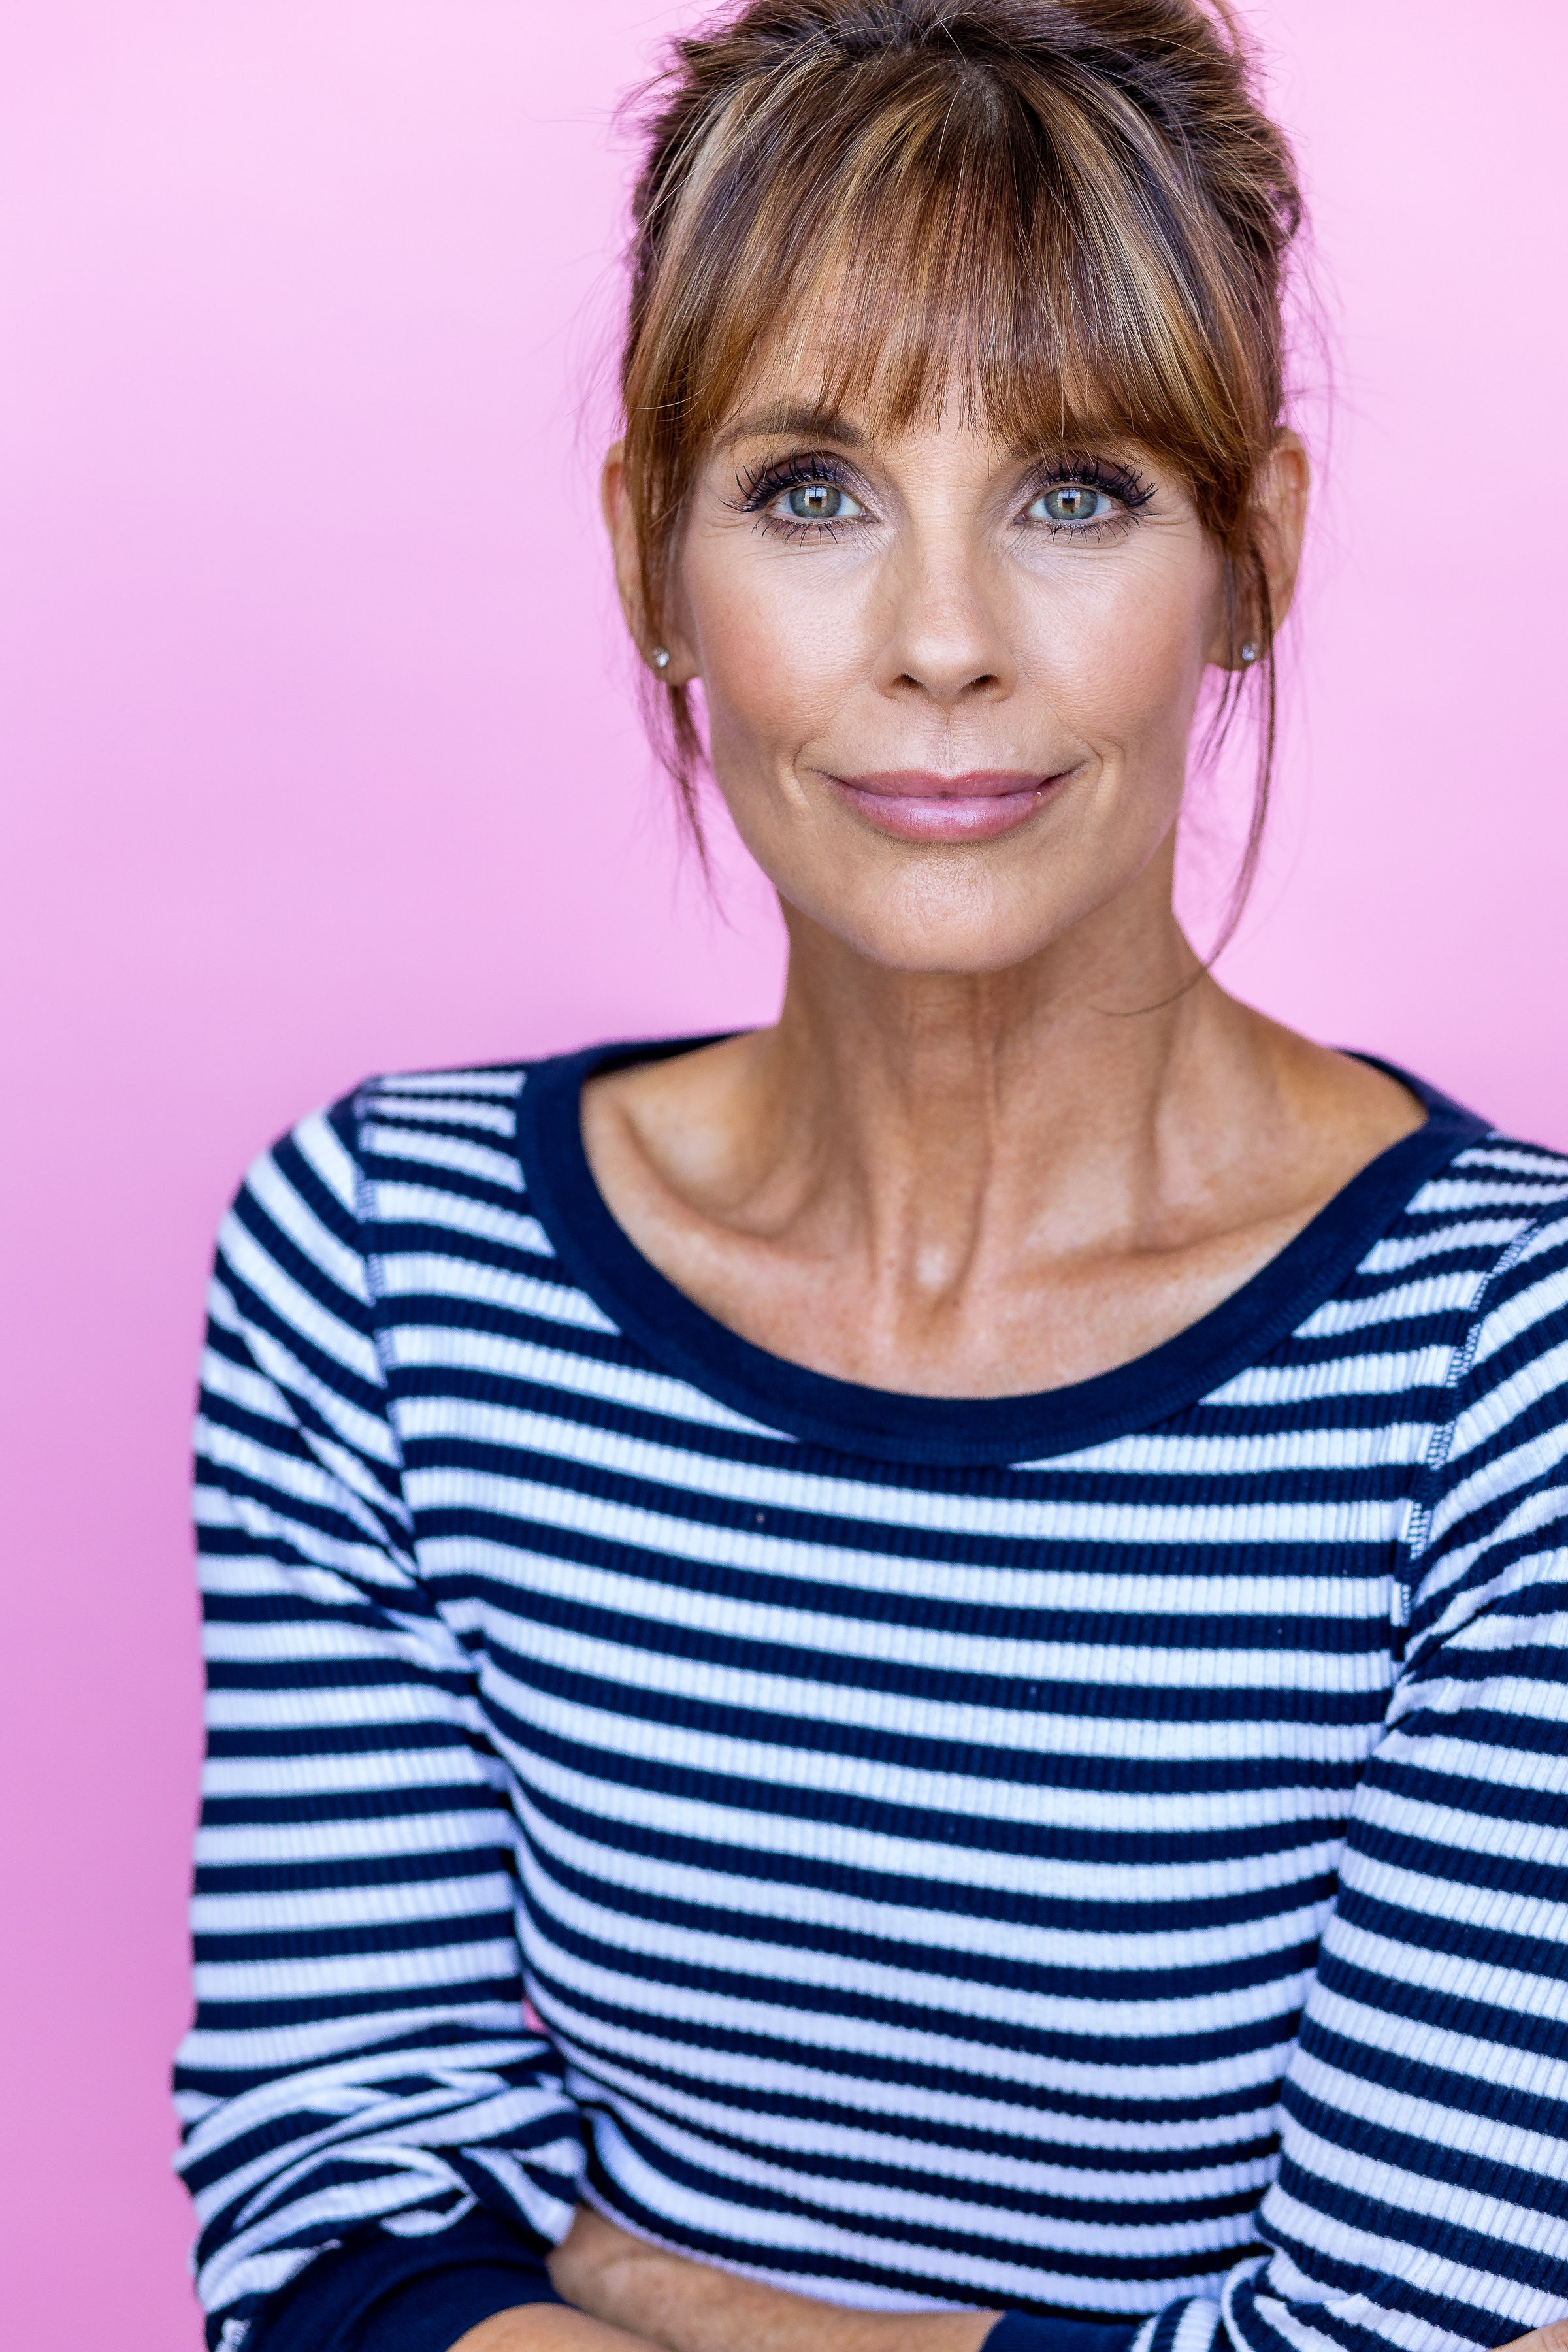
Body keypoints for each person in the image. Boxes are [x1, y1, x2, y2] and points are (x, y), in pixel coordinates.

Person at [172, 3, 1568, 2350]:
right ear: (650, 547)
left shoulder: (1513, 1369)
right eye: (812, 489)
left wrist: (703, 2313)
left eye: (1078, 491)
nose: (939, 645)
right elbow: (332, 2238)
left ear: (1255, 557)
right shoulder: (387, 1273)